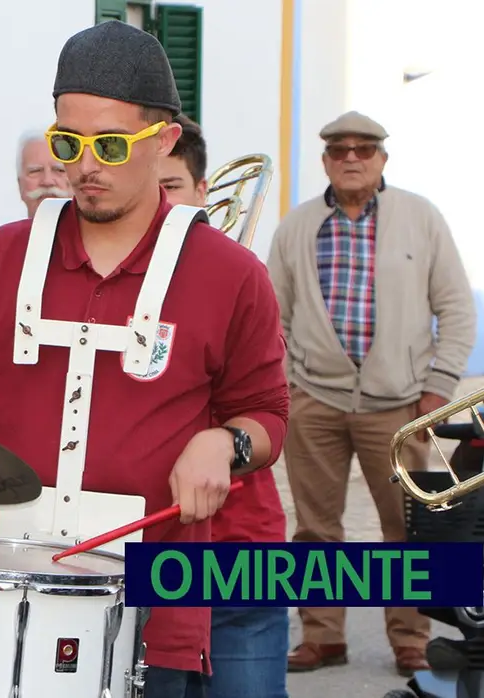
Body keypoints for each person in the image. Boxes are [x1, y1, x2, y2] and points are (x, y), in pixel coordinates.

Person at [0, 22, 289, 698]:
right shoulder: (1, 254)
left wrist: (223, 443)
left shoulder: (230, 273)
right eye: (68, 143)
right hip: (8, 585)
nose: (84, 166)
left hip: (155, 598)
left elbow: (265, 417)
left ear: (165, 140)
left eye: (110, 145)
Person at [270, 110, 475, 677]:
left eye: (364, 148)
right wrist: (286, 385)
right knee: (314, 527)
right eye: (339, 150)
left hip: (401, 405)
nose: (352, 158)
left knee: (407, 528)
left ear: (383, 158)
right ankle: (323, 636)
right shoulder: (298, 226)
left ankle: (410, 638)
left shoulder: (420, 218)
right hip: (315, 399)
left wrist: (438, 389)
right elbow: (271, 315)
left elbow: (456, 308)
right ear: (325, 162)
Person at [157, 113, 290, 698]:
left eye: (171, 187)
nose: (156, 204)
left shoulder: (238, 277)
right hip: (150, 550)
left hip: (240, 546)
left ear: (203, 191)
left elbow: (266, 410)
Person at [16, 127, 71, 218]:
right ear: (20, 185)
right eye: (35, 171)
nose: (47, 181)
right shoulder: (2, 233)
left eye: (59, 170)